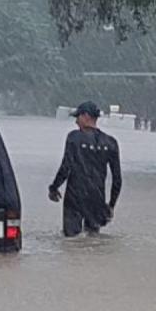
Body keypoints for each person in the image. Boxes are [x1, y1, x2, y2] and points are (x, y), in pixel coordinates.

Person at [49, 101, 122, 237]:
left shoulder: (74, 137)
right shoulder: (111, 142)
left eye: (78, 117)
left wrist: (54, 188)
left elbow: (66, 167)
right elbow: (117, 180)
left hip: (75, 197)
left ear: (86, 116)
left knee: (71, 240)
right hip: (97, 198)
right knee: (92, 240)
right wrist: (111, 205)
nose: (76, 121)